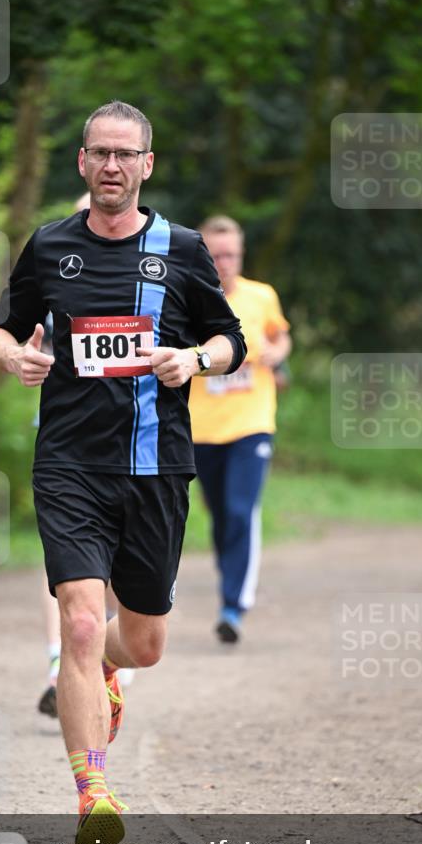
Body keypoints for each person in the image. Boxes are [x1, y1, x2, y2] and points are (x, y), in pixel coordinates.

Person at [0, 101, 246, 844]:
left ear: (145, 165)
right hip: (68, 462)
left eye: (123, 155)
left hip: (155, 466)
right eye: (98, 153)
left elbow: (230, 341)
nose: (110, 166)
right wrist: (15, 357)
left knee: (144, 644)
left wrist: (191, 359)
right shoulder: (49, 244)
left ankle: (103, 676)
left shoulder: (182, 249)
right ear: (81, 162)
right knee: (78, 621)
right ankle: (92, 790)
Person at [37, 193, 131, 719]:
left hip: (131, 450)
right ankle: (63, 658)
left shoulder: (151, 273)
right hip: (64, 446)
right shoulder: (52, 256)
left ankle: (109, 658)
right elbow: (14, 329)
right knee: (66, 573)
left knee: (121, 579)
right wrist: (23, 355)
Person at [188, 215, 291, 645]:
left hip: (252, 424)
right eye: (216, 255)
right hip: (201, 429)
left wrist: (274, 353)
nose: (225, 262)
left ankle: (233, 605)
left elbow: (282, 338)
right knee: (219, 514)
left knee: (240, 508)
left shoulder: (261, 296)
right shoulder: (188, 299)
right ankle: (230, 585)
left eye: (231, 254)